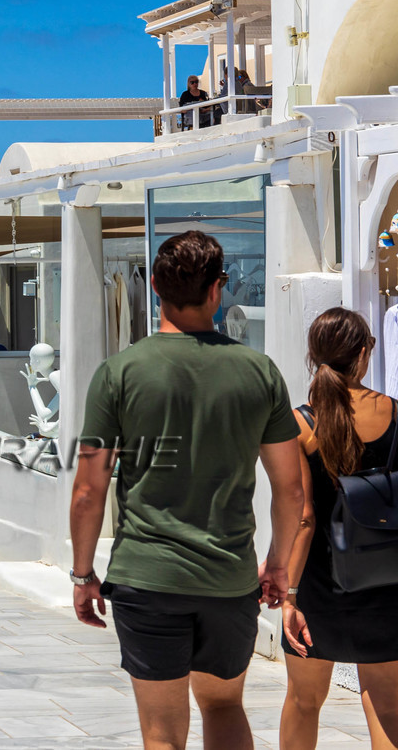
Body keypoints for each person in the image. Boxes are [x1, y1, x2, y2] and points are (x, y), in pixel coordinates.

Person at [70, 230, 304, 750]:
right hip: (228, 579)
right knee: (223, 707)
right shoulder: (258, 371)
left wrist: (83, 574)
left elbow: (89, 490)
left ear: (154, 285)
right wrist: (279, 564)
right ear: (218, 289)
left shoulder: (118, 374)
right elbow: (290, 490)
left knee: (162, 735)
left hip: (146, 579)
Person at [280, 308, 398, 750]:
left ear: (314, 356)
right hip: (389, 582)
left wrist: (288, 596)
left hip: (321, 588)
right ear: (363, 354)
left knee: (304, 701)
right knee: (384, 705)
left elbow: (302, 517)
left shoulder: (301, 423)